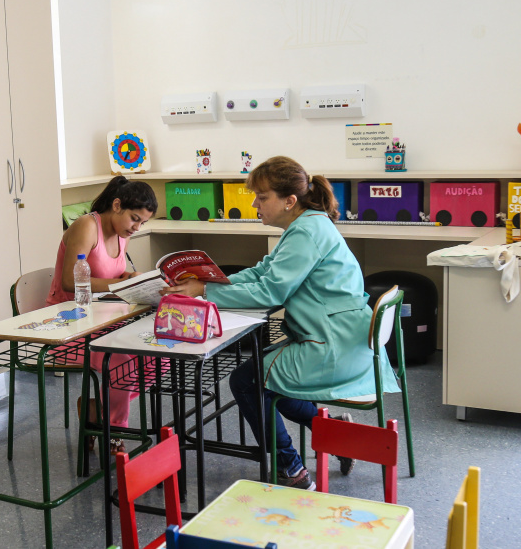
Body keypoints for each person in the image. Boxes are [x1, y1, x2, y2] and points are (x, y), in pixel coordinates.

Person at [162, 156, 399, 490]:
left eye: (262, 197)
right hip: (341, 338)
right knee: (268, 380)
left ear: (289, 201)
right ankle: (332, 432)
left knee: (246, 381)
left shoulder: (305, 232)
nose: (255, 204)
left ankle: (291, 467)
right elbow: (264, 272)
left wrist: (206, 291)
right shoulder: (307, 224)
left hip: (332, 346)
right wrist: (213, 281)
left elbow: (271, 291)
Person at [46, 175, 158, 454]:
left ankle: (97, 410)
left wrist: (130, 277)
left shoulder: (122, 235)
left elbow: (111, 276)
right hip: (68, 324)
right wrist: (123, 284)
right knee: (122, 359)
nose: (137, 227)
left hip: (104, 318)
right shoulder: (87, 226)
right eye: (134, 219)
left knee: (157, 354)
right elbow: (70, 283)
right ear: (117, 205)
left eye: (143, 223)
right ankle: (114, 430)